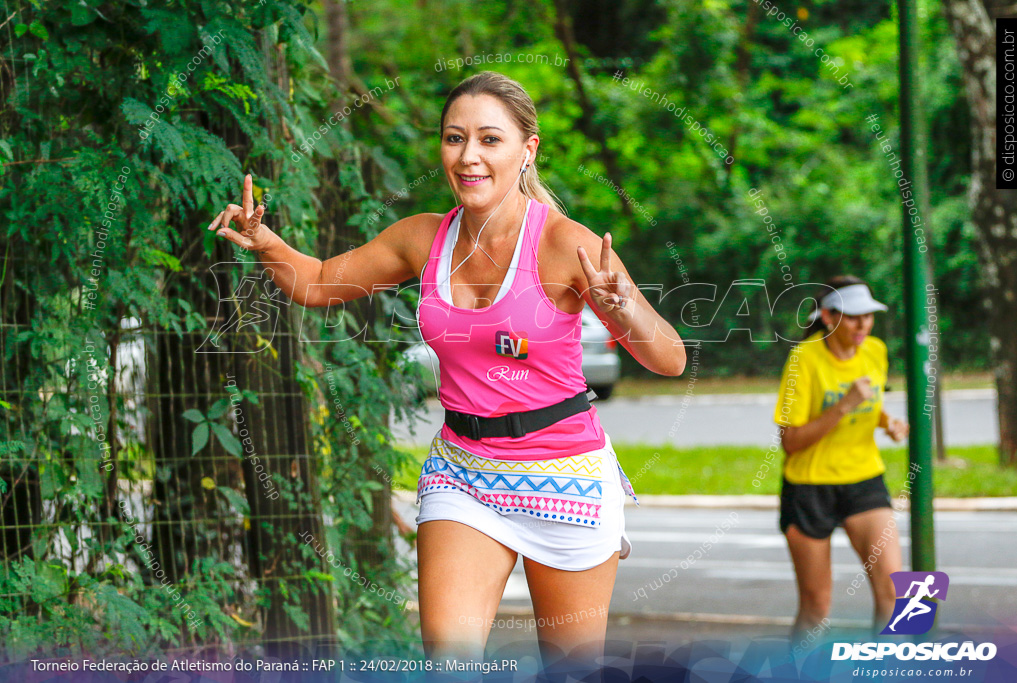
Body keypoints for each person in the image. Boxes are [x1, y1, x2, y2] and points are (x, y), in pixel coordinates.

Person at [207, 71, 687, 671]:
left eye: (490, 139)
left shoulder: (566, 243)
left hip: (564, 475)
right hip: (464, 473)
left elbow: (670, 359)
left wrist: (625, 309)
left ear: (526, 150)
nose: (469, 156)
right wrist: (265, 239)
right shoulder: (423, 237)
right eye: (454, 138)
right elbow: (322, 281)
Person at [773, 275, 910, 641]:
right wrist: (845, 404)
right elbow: (790, 440)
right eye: (853, 316)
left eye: (869, 315)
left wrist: (889, 422)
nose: (863, 324)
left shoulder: (875, 350)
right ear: (830, 317)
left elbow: (872, 402)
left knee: (898, 595)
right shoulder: (804, 359)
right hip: (809, 488)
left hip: (863, 480)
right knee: (816, 608)